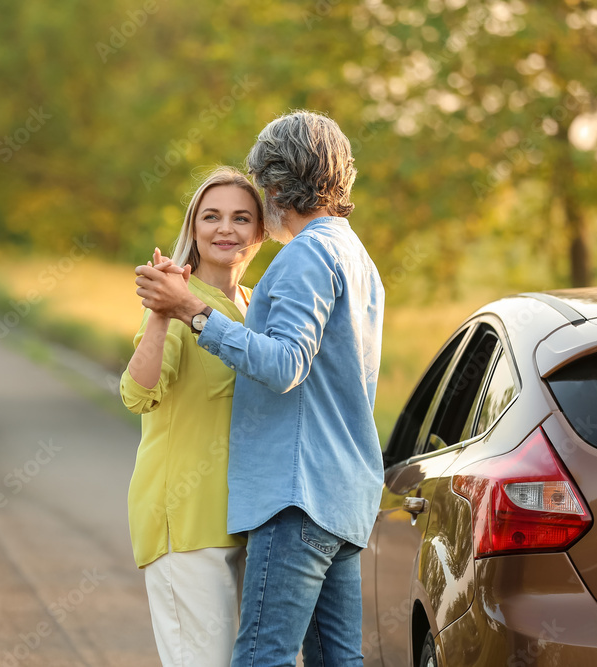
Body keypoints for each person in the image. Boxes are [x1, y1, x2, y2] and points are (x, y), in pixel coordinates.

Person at [135, 111, 384, 667]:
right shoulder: (358, 257)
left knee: (261, 658)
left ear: (275, 186)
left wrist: (195, 314)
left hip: (296, 494)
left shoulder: (305, 254)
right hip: (344, 497)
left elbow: (287, 363)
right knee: (337, 661)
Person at [120, 166, 266, 667]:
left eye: (241, 218)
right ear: (194, 229)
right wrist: (162, 312)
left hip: (248, 520)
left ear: (260, 232)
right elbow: (138, 394)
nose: (226, 229)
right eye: (212, 216)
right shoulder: (178, 300)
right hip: (184, 523)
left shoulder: (254, 306)